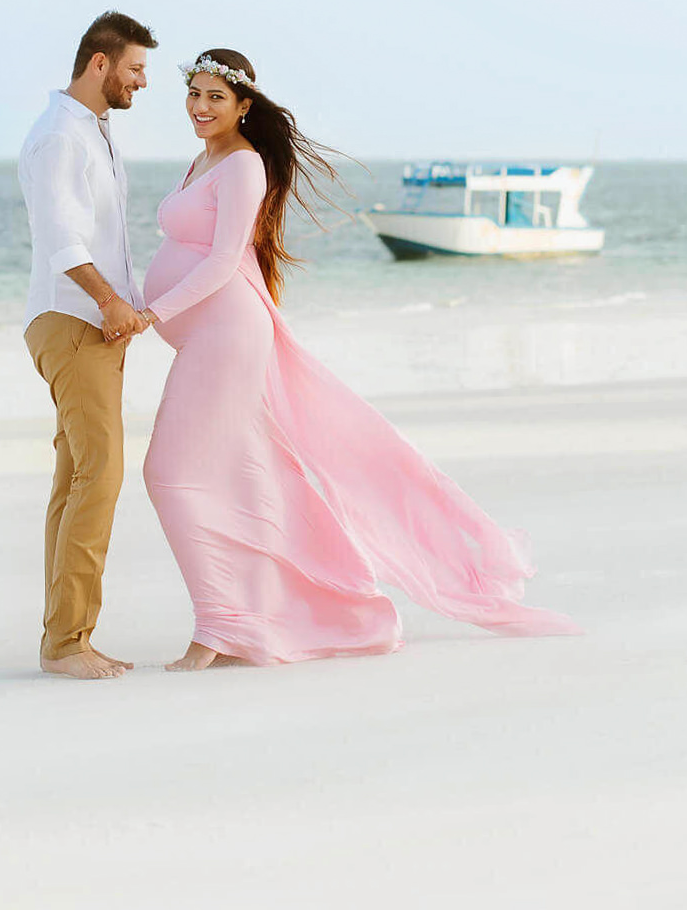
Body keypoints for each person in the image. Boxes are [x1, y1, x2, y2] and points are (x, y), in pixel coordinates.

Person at [139, 49, 581, 670]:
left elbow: (219, 262)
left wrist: (147, 315)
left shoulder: (242, 166)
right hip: (207, 335)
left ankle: (218, 626)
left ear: (244, 106)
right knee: (246, 479)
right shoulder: (202, 161)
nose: (201, 107)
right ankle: (301, 615)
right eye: (195, 94)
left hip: (227, 334)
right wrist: (120, 300)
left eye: (216, 97)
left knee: (169, 474)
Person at [19, 11, 157, 680]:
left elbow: (104, 238)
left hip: (96, 324)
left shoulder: (94, 134)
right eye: (135, 69)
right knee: (98, 475)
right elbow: (61, 238)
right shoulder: (58, 138)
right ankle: (67, 642)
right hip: (73, 321)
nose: (144, 82)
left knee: (75, 477)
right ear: (99, 64)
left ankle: (63, 635)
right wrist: (109, 301)